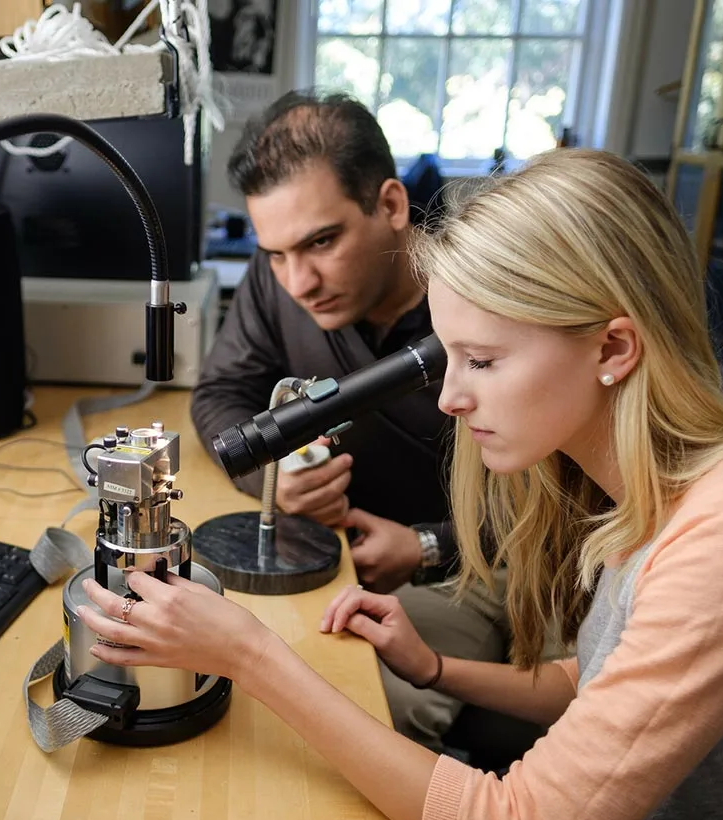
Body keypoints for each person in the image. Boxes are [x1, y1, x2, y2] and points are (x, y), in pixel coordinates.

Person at [77, 148, 723, 820]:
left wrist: (249, 656)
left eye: (485, 360)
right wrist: (434, 668)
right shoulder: (653, 489)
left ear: (612, 347)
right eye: (449, 358)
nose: (450, 399)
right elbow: (594, 679)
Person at [191, 90, 518, 756]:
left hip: (470, 568)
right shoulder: (280, 271)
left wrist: (426, 544)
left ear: (391, 206)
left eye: (322, 241)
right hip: (331, 559)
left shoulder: (487, 298)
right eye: (276, 254)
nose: (298, 282)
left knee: (327, 702)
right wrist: (277, 476)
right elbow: (221, 392)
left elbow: (564, 502)